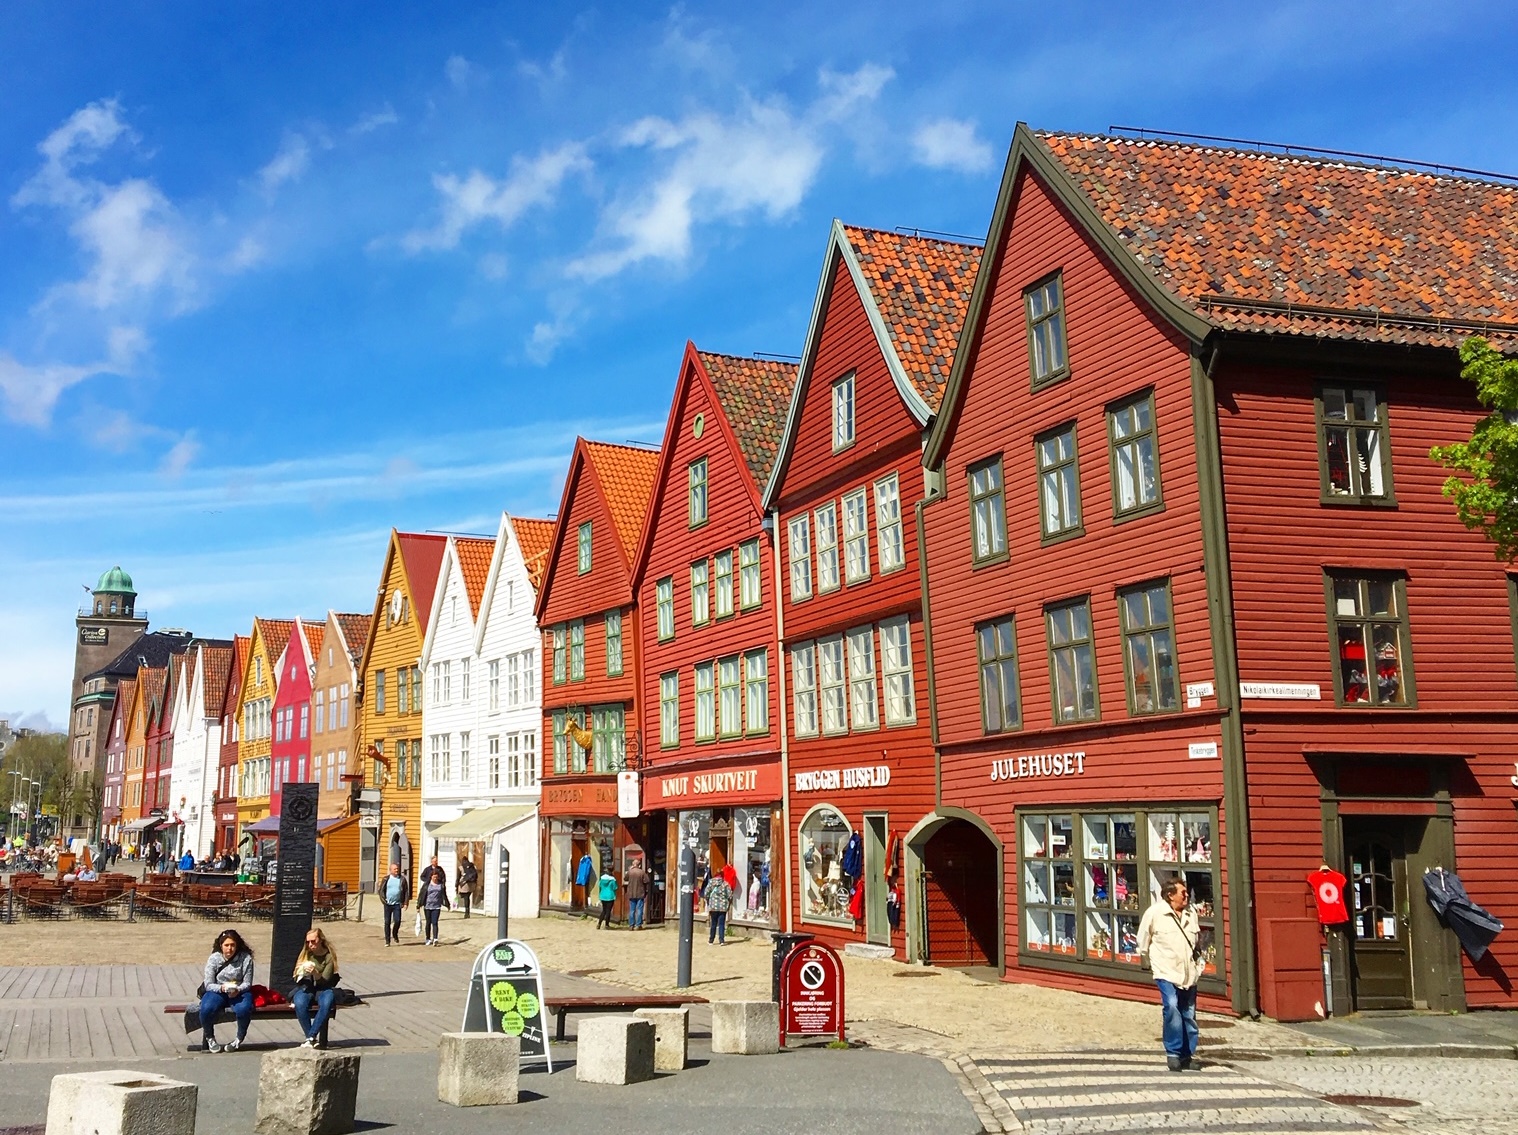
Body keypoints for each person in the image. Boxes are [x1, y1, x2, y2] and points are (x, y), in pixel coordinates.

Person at [1137, 876, 1205, 1071]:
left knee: (1189, 1013)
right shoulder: (1155, 913)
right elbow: (1143, 939)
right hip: (1165, 970)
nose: (1187, 896)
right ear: (1170, 895)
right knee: (1172, 1006)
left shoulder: (1191, 914)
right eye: (1183, 893)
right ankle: (1173, 1053)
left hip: (1188, 972)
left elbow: (1196, 941)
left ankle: (1187, 1055)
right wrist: (1149, 962)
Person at [199, 928, 255, 1053]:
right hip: (218, 990)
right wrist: (221, 988)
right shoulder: (214, 958)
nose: (229, 949)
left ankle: (238, 1039)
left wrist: (238, 989)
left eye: (232, 945)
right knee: (206, 1007)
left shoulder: (246, 959)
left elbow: (247, 983)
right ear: (221, 946)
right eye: (226, 945)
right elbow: (208, 983)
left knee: (244, 1009)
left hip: (238, 991)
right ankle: (210, 1037)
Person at [291, 928, 340, 1048]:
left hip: (323, 988)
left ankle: (311, 1036)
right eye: (308, 942)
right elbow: (295, 978)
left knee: (327, 1002)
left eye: (313, 941)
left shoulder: (328, 957)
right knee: (300, 1002)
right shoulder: (306, 954)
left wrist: (315, 973)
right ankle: (311, 1038)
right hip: (307, 987)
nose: (310, 944)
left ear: (321, 940)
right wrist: (299, 971)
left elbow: (325, 981)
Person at [376, 863, 411, 946]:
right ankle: (387, 941)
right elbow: (381, 891)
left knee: (397, 920)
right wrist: (383, 900)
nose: (397, 870)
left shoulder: (402, 879)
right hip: (387, 904)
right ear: (390, 870)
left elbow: (406, 892)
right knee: (387, 922)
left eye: (397, 869)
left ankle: (395, 933)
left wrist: (405, 903)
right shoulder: (386, 879)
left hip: (397, 904)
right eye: (395, 869)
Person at [418, 857, 450, 946]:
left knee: (435, 922)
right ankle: (428, 938)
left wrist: (447, 904)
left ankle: (435, 938)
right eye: (434, 861)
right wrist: (418, 905)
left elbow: (444, 893)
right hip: (427, 905)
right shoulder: (427, 873)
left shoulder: (440, 871)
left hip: (436, 906)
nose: (435, 862)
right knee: (428, 922)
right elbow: (421, 894)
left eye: (436, 861)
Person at [704, 870, 733, 945]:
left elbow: (706, 893)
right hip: (723, 907)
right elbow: (730, 895)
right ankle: (721, 940)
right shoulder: (725, 884)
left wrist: (708, 900)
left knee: (713, 923)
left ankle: (711, 940)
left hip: (713, 906)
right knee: (721, 924)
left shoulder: (711, 883)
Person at [625, 858, 650, 931]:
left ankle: (631, 925)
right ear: (639, 865)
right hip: (640, 893)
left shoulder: (630, 872)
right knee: (639, 909)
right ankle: (638, 925)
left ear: (633, 865)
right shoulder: (642, 872)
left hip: (631, 893)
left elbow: (625, 878)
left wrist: (630, 870)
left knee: (632, 910)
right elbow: (647, 880)